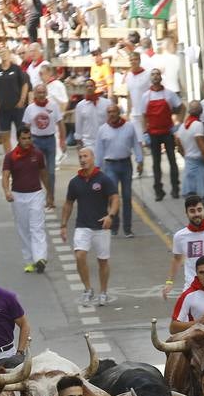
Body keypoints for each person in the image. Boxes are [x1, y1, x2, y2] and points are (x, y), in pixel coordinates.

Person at [60, 147, 120, 306]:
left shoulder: (103, 179)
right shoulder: (75, 182)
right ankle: (88, 289)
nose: (82, 159)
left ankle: (103, 292)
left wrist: (110, 216)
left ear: (93, 158)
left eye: (85, 156)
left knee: (103, 261)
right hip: (82, 226)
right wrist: (63, 225)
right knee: (79, 256)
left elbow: (115, 198)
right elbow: (68, 204)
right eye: (80, 157)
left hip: (101, 227)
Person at [3, 127, 52, 274]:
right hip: (18, 196)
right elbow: (5, 176)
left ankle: (40, 258)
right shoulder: (11, 156)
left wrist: (49, 193)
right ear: (18, 139)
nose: (27, 141)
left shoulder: (37, 154)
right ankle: (30, 261)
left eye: (29, 138)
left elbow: (44, 174)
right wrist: (7, 191)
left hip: (36, 194)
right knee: (23, 229)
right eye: (24, 138)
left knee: (37, 227)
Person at [95, 103, 141, 237]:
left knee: (127, 196)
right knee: (112, 197)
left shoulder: (129, 127)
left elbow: (136, 144)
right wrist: (97, 168)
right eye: (109, 112)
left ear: (118, 112)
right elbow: (99, 150)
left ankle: (127, 228)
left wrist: (140, 160)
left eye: (113, 112)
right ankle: (114, 226)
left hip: (126, 164)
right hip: (110, 166)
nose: (111, 114)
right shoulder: (102, 130)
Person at [137, 69, 181, 201]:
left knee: (172, 161)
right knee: (156, 163)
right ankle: (158, 191)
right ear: (151, 78)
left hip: (167, 132)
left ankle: (175, 189)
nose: (155, 76)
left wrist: (178, 124)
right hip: (153, 134)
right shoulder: (146, 96)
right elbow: (143, 116)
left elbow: (181, 107)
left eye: (157, 74)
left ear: (161, 77)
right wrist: (145, 132)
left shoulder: (169, 94)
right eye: (153, 74)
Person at [22, 82, 63, 197]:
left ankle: (51, 196)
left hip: (50, 140)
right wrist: (25, 144)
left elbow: (60, 123)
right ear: (35, 94)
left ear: (46, 93)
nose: (41, 95)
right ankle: (38, 195)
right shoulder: (30, 108)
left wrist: (62, 140)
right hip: (36, 141)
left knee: (51, 171)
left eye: (43, 92)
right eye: (39, 92)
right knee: (38, 170)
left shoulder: (53, 106)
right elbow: (26, 128)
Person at [0, 45, 30, 152]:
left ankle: (23, 154)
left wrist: (22, 100)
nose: (3, 55)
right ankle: (9, 158)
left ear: (9, 54)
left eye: (5, 52)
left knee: (22, 134)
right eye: (1, 53)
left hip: (17, 107)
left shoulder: (16, 69)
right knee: (4, 135)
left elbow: (25, 85)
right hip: (3, 108)